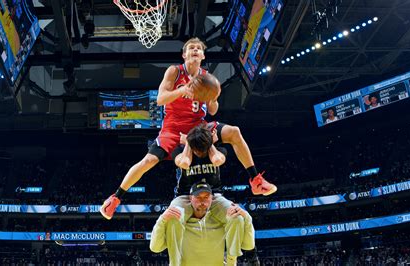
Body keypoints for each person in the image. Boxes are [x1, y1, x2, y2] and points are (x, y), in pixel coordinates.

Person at [100, 37, 277, 220]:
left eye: (198, 48)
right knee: (149, 161)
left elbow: (212, 111)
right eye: (191, 48)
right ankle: (115, 198)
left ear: (202, 55)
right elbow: (160, 99)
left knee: (234, 132)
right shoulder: (174, 72)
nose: (194, 50)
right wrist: (183, 89)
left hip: (198, 126)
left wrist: (214, 99)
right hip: (173, 127)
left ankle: (256, 181)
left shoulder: (207, 78)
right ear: (184, 54)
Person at [149, 182, 255, 266]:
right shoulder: (178, 223)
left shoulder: (222, 221)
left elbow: (249, 245)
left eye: (206, 197)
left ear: (212, 199)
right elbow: (155, 248)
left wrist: (247, 218)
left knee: (237, 218)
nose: (202, 201)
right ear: (190, 198)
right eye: (198, 197)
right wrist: (162, 220)